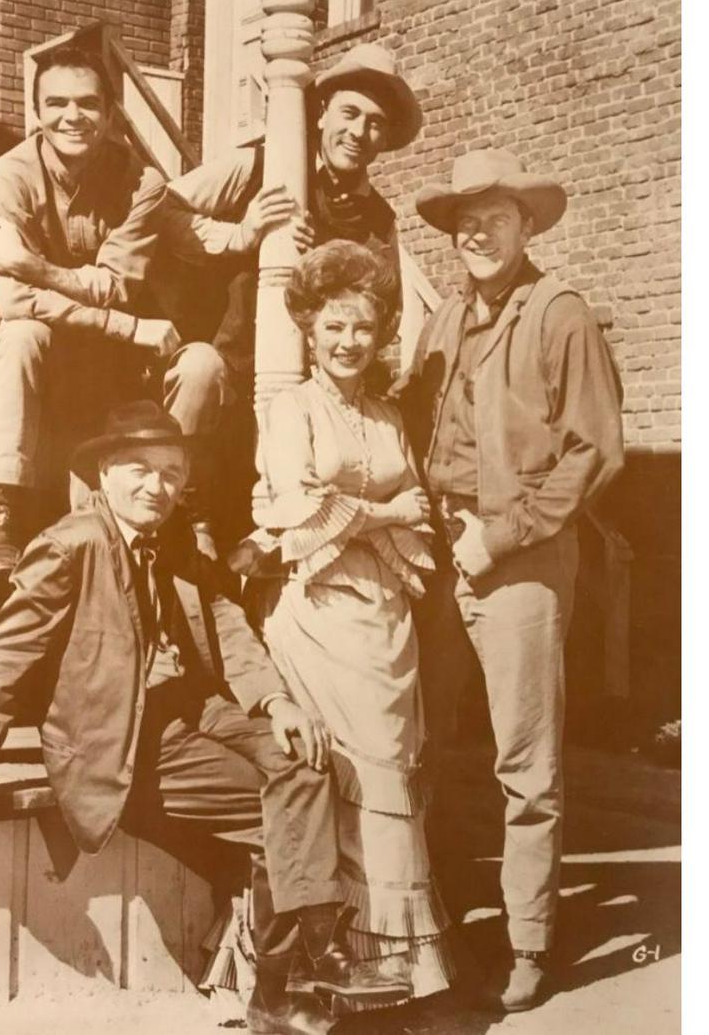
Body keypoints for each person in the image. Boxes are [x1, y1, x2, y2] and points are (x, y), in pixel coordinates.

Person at [0, 399, 411, 1034]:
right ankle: (283, 989)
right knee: (284, 818)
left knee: (306, 764)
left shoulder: (171, 539)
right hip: (121, 740)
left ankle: (312, 963)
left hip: (195, 714)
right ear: (102, 474)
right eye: (140, 470)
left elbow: (227, 626)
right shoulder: (70, 546)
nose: (159, 486)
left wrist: (275, 700)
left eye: (173, 473)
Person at [398, 148, 625, 1011]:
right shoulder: (448, 316)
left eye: (495, 216)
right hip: (435, 546)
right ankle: (438, 921)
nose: (477, 232)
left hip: (519, 555)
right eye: (465, 220)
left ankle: (529, 941)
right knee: (422, 740)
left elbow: (593, 451)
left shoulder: (559, 314)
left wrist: (502, 536)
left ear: (527, 225)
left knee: (523, 760)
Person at [233, 240, 455, 1002]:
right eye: (333, 326)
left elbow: (417, 507)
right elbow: (292, 511)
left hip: (385, 611)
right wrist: (379, 512)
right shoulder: (287, 409)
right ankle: (338, 959)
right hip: (318, 608)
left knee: (394, 772)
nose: (348, 341)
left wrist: (384, 517)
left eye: (362, 327)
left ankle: (400, 959)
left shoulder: (388, 414)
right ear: (308, 329)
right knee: (342, 775)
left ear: (381, 331)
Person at [0, 38, 219, 577]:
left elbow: (114, 283)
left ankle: (182, 502)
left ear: (109, 115)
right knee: (19, 335)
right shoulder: (7, 177)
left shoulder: (141, 181)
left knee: (202, 364)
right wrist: (126, 325)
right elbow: (13, 302)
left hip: (116, 364)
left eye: (87, 103)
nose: (72, 116)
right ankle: (1, 516)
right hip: (54, 352)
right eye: (56, 103)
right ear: (36, 112)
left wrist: (32, 266)